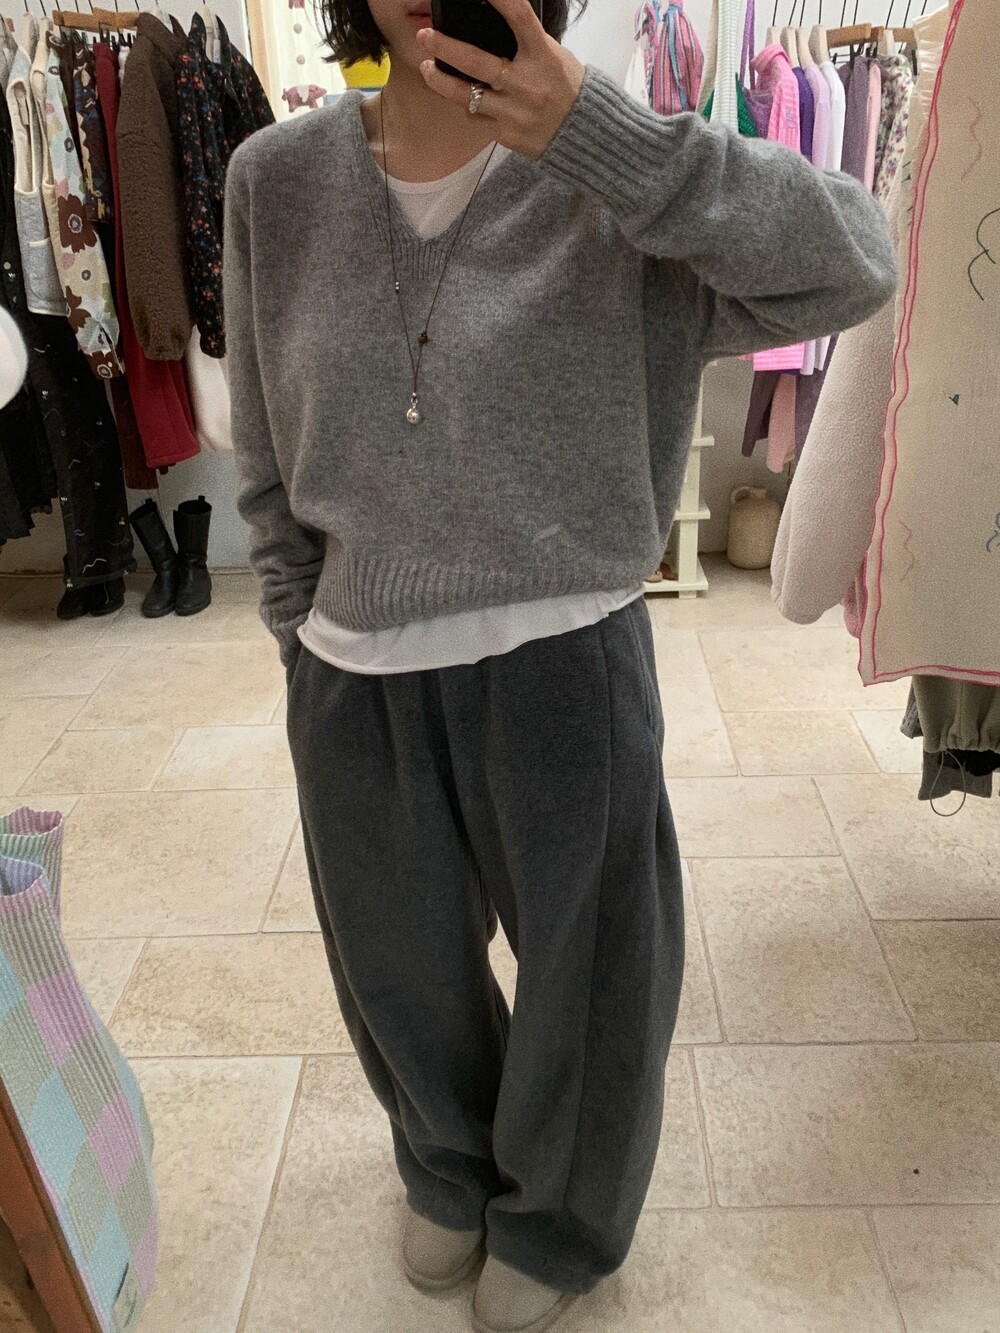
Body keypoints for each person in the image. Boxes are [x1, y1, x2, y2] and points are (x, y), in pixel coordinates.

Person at [223, 2, 895, 1329]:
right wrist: (300, 631)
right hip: (352, 667)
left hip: (563, 664)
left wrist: (604, 137)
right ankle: (448, 1163)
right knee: (396, 971)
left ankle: (561, 1213)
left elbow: (855, 264)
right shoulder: (275, 180)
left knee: (594, 975)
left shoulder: (616, 174)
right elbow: (262, 432)